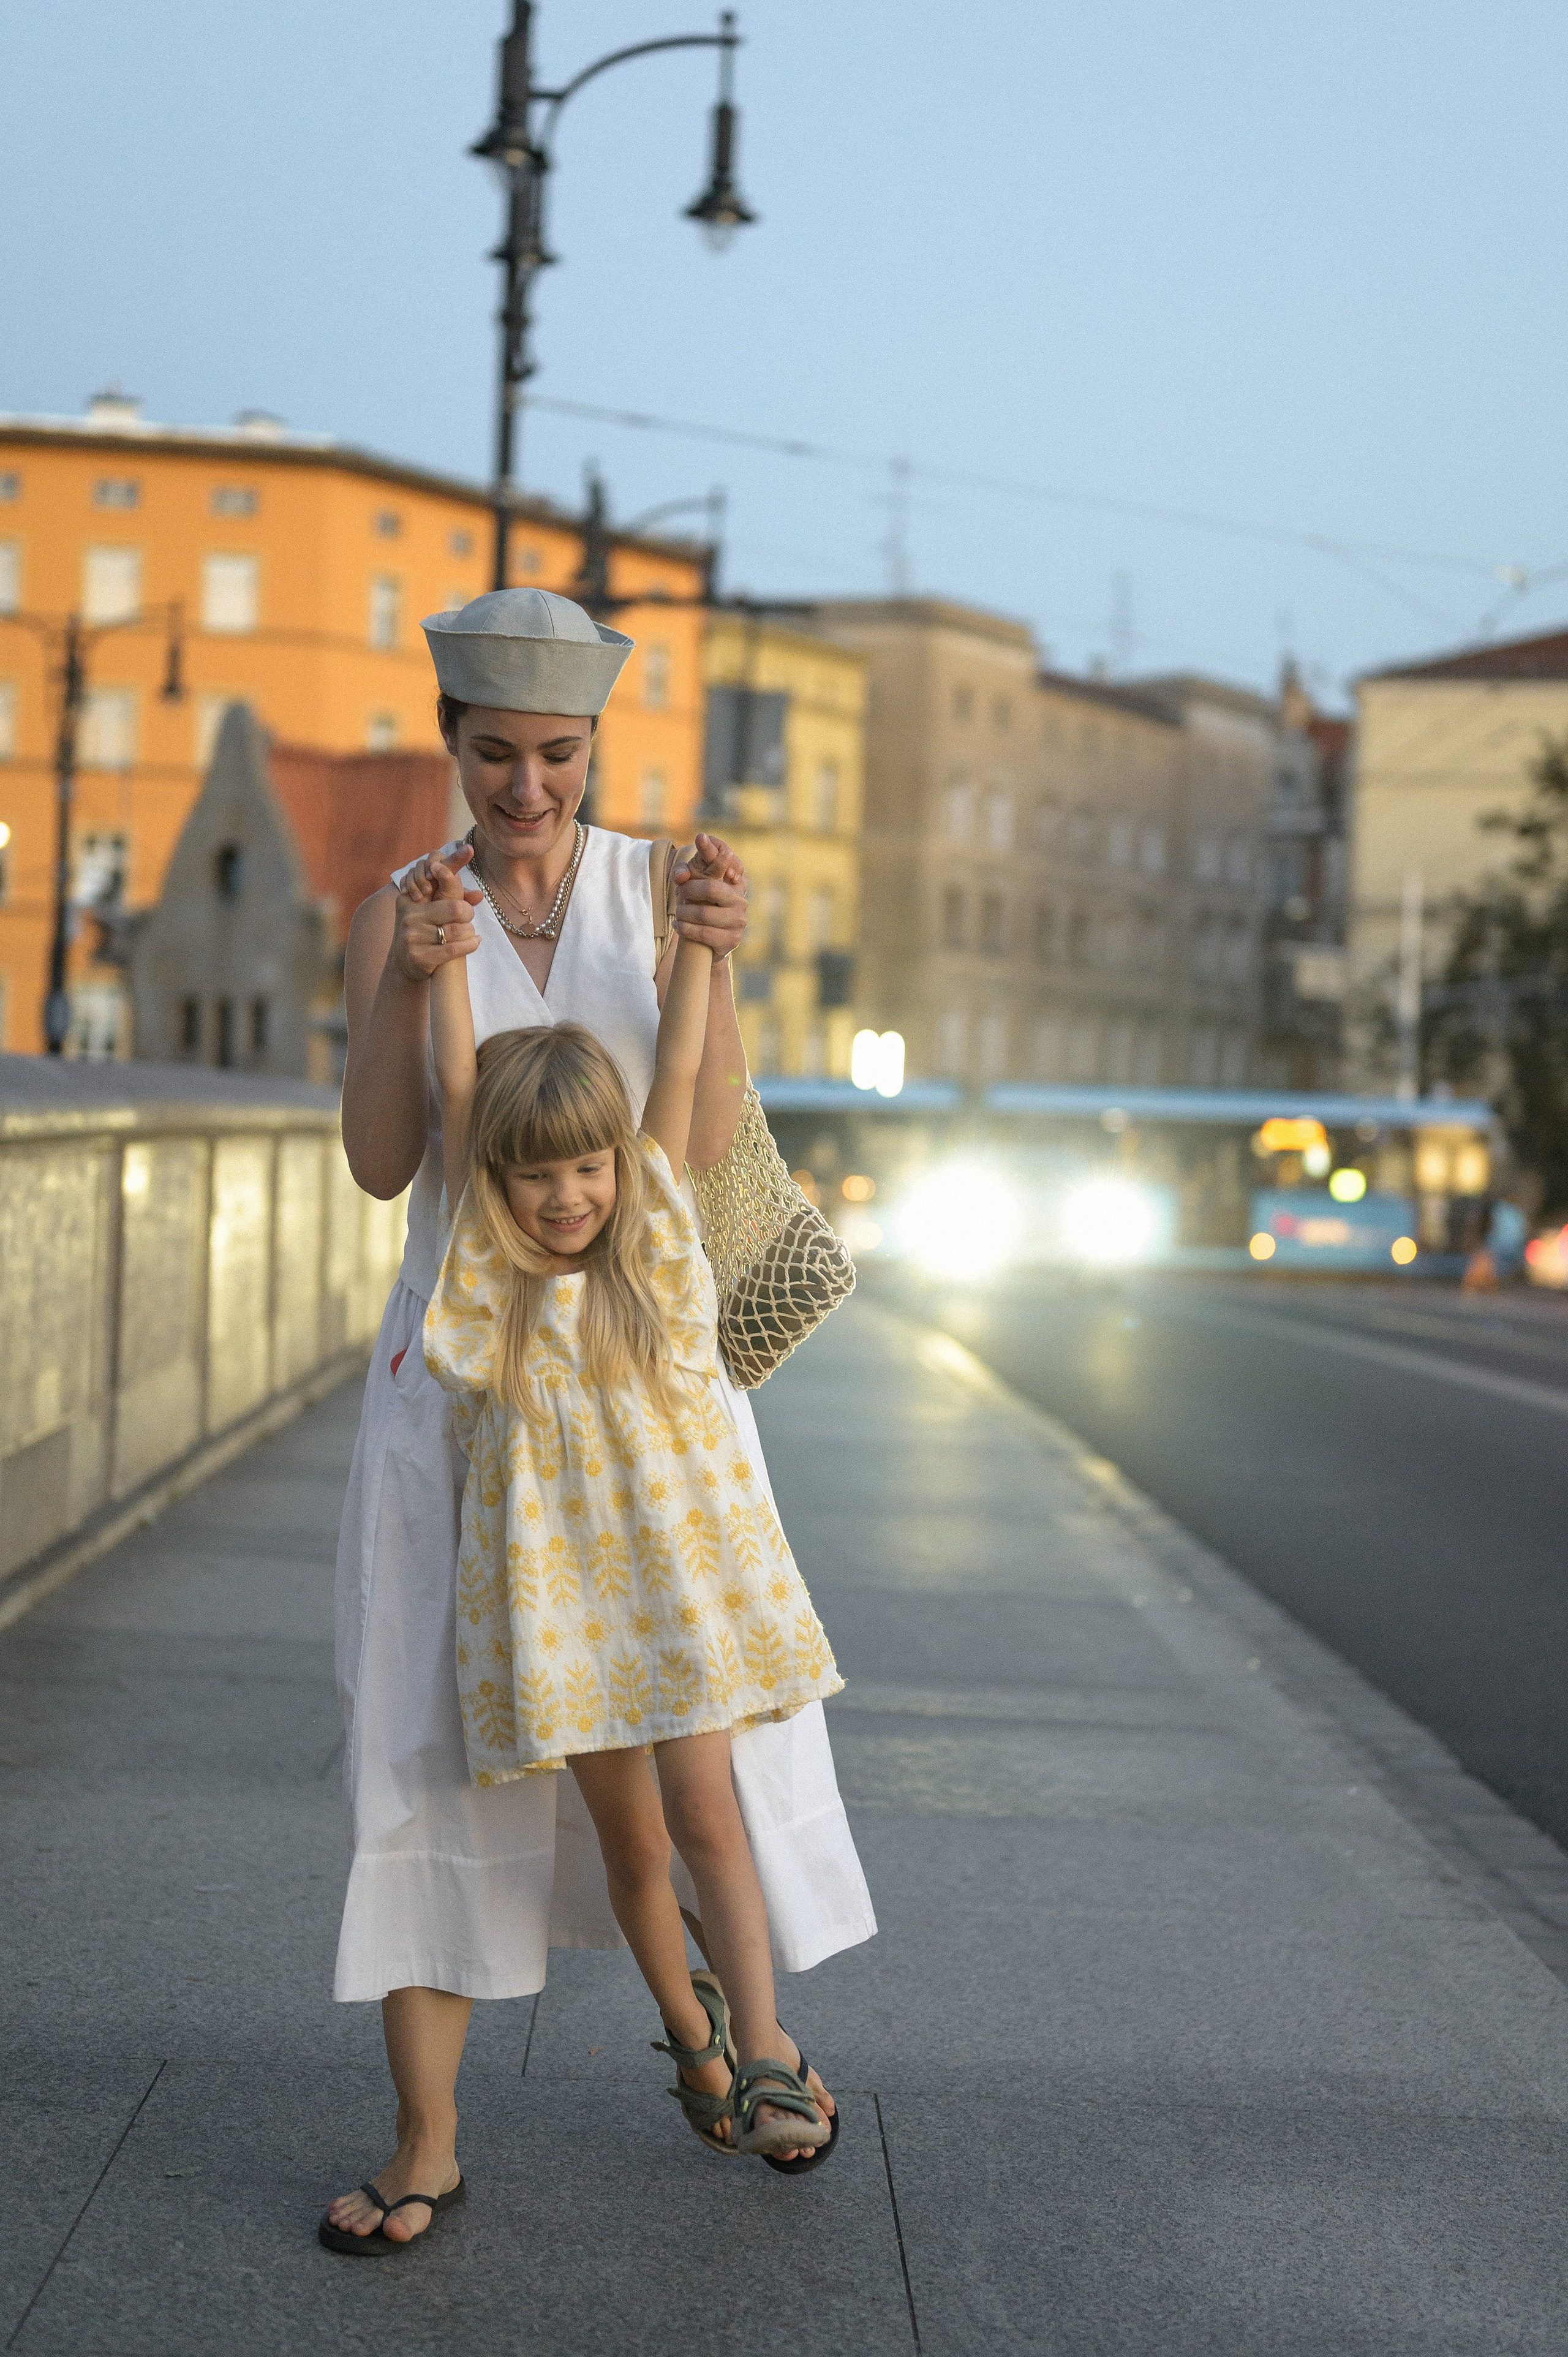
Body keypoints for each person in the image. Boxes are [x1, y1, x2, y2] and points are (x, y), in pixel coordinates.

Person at [322, 588, 873, 2252]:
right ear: (454, 747)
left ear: (592, 752)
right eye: (496, 756)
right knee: (418, 1751)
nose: (528, 791)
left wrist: (721, 956)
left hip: (643, 1403)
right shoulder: (402, 907)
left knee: (702, 1748)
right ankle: (427, 2139)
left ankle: (755, 2044)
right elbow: (379, 1164)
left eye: (558, 757)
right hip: (461, 1398)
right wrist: (397, 988)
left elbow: (691, 1160)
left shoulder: (661, 885)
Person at [416, 853, 842, 2170]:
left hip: (674, 1594)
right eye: (537, 1177)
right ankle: (690, 2031)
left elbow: (670, 1081)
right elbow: (448, 1103)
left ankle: (766, 2047)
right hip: (567, 1615)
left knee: (711, 1816)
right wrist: (437, 968)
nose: (565, 1196)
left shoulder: (655, 1231)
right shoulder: (487, 1272)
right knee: (634, 1840)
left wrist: (701, 948)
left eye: (584, 1170)